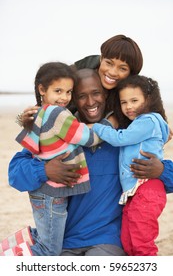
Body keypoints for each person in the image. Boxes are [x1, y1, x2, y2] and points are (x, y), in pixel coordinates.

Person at [8, 35, 173, 255]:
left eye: (97, 93)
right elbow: (15, 174)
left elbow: (160, 174)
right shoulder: (61, 132)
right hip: (63, 240)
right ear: (72, 98)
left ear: (107, 95)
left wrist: (161, 170)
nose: (91, 102)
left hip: (107, 240)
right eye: (81, 95)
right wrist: (44, 170)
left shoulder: (124, 135)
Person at [3, 63, 102, 256]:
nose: (64, 97)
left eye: (68, 92)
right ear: (42, 89)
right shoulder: (58, 113)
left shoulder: (43, 111)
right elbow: (87, 138)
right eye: (58, 91)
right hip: (52, 195)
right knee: (48, 252)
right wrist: (107, 127)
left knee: (44, 238)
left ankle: (13, 246)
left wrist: (20, 119)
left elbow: (28, 125)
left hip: (45, 194)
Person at [91, 75, 169, 255]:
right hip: (135, 190)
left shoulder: (148, 120)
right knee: (128, 241)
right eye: (124, 102)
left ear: (148, 99)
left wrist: (97, 127)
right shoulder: (140, 123)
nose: (129, 107)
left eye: (134, 100)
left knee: (142, 244)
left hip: (146, 188)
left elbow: (121, 139)